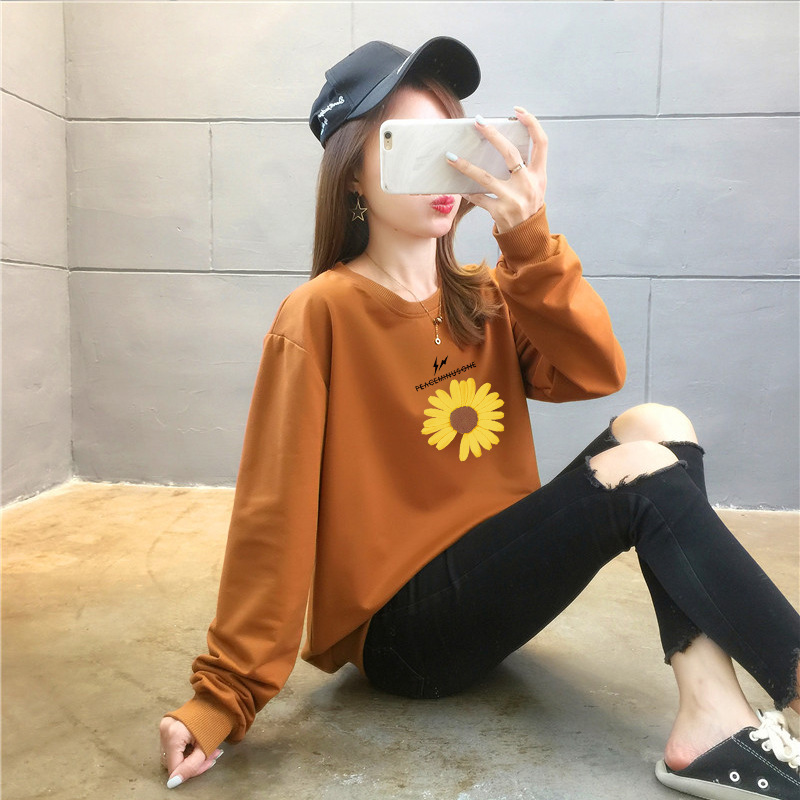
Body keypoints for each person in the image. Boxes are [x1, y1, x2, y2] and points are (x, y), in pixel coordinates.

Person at [159, 37, 800, 798]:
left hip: (490, 583)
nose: (444, 171)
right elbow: (275, 509)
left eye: (453, 142)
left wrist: (530, 243)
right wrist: (222, 697)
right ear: (354, 170)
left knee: (658, 425)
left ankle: (710, 712)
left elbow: (594, 372)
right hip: (404, 634)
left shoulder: (485, 295)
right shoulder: (320, 313)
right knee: (638, 474)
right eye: (409, 145)